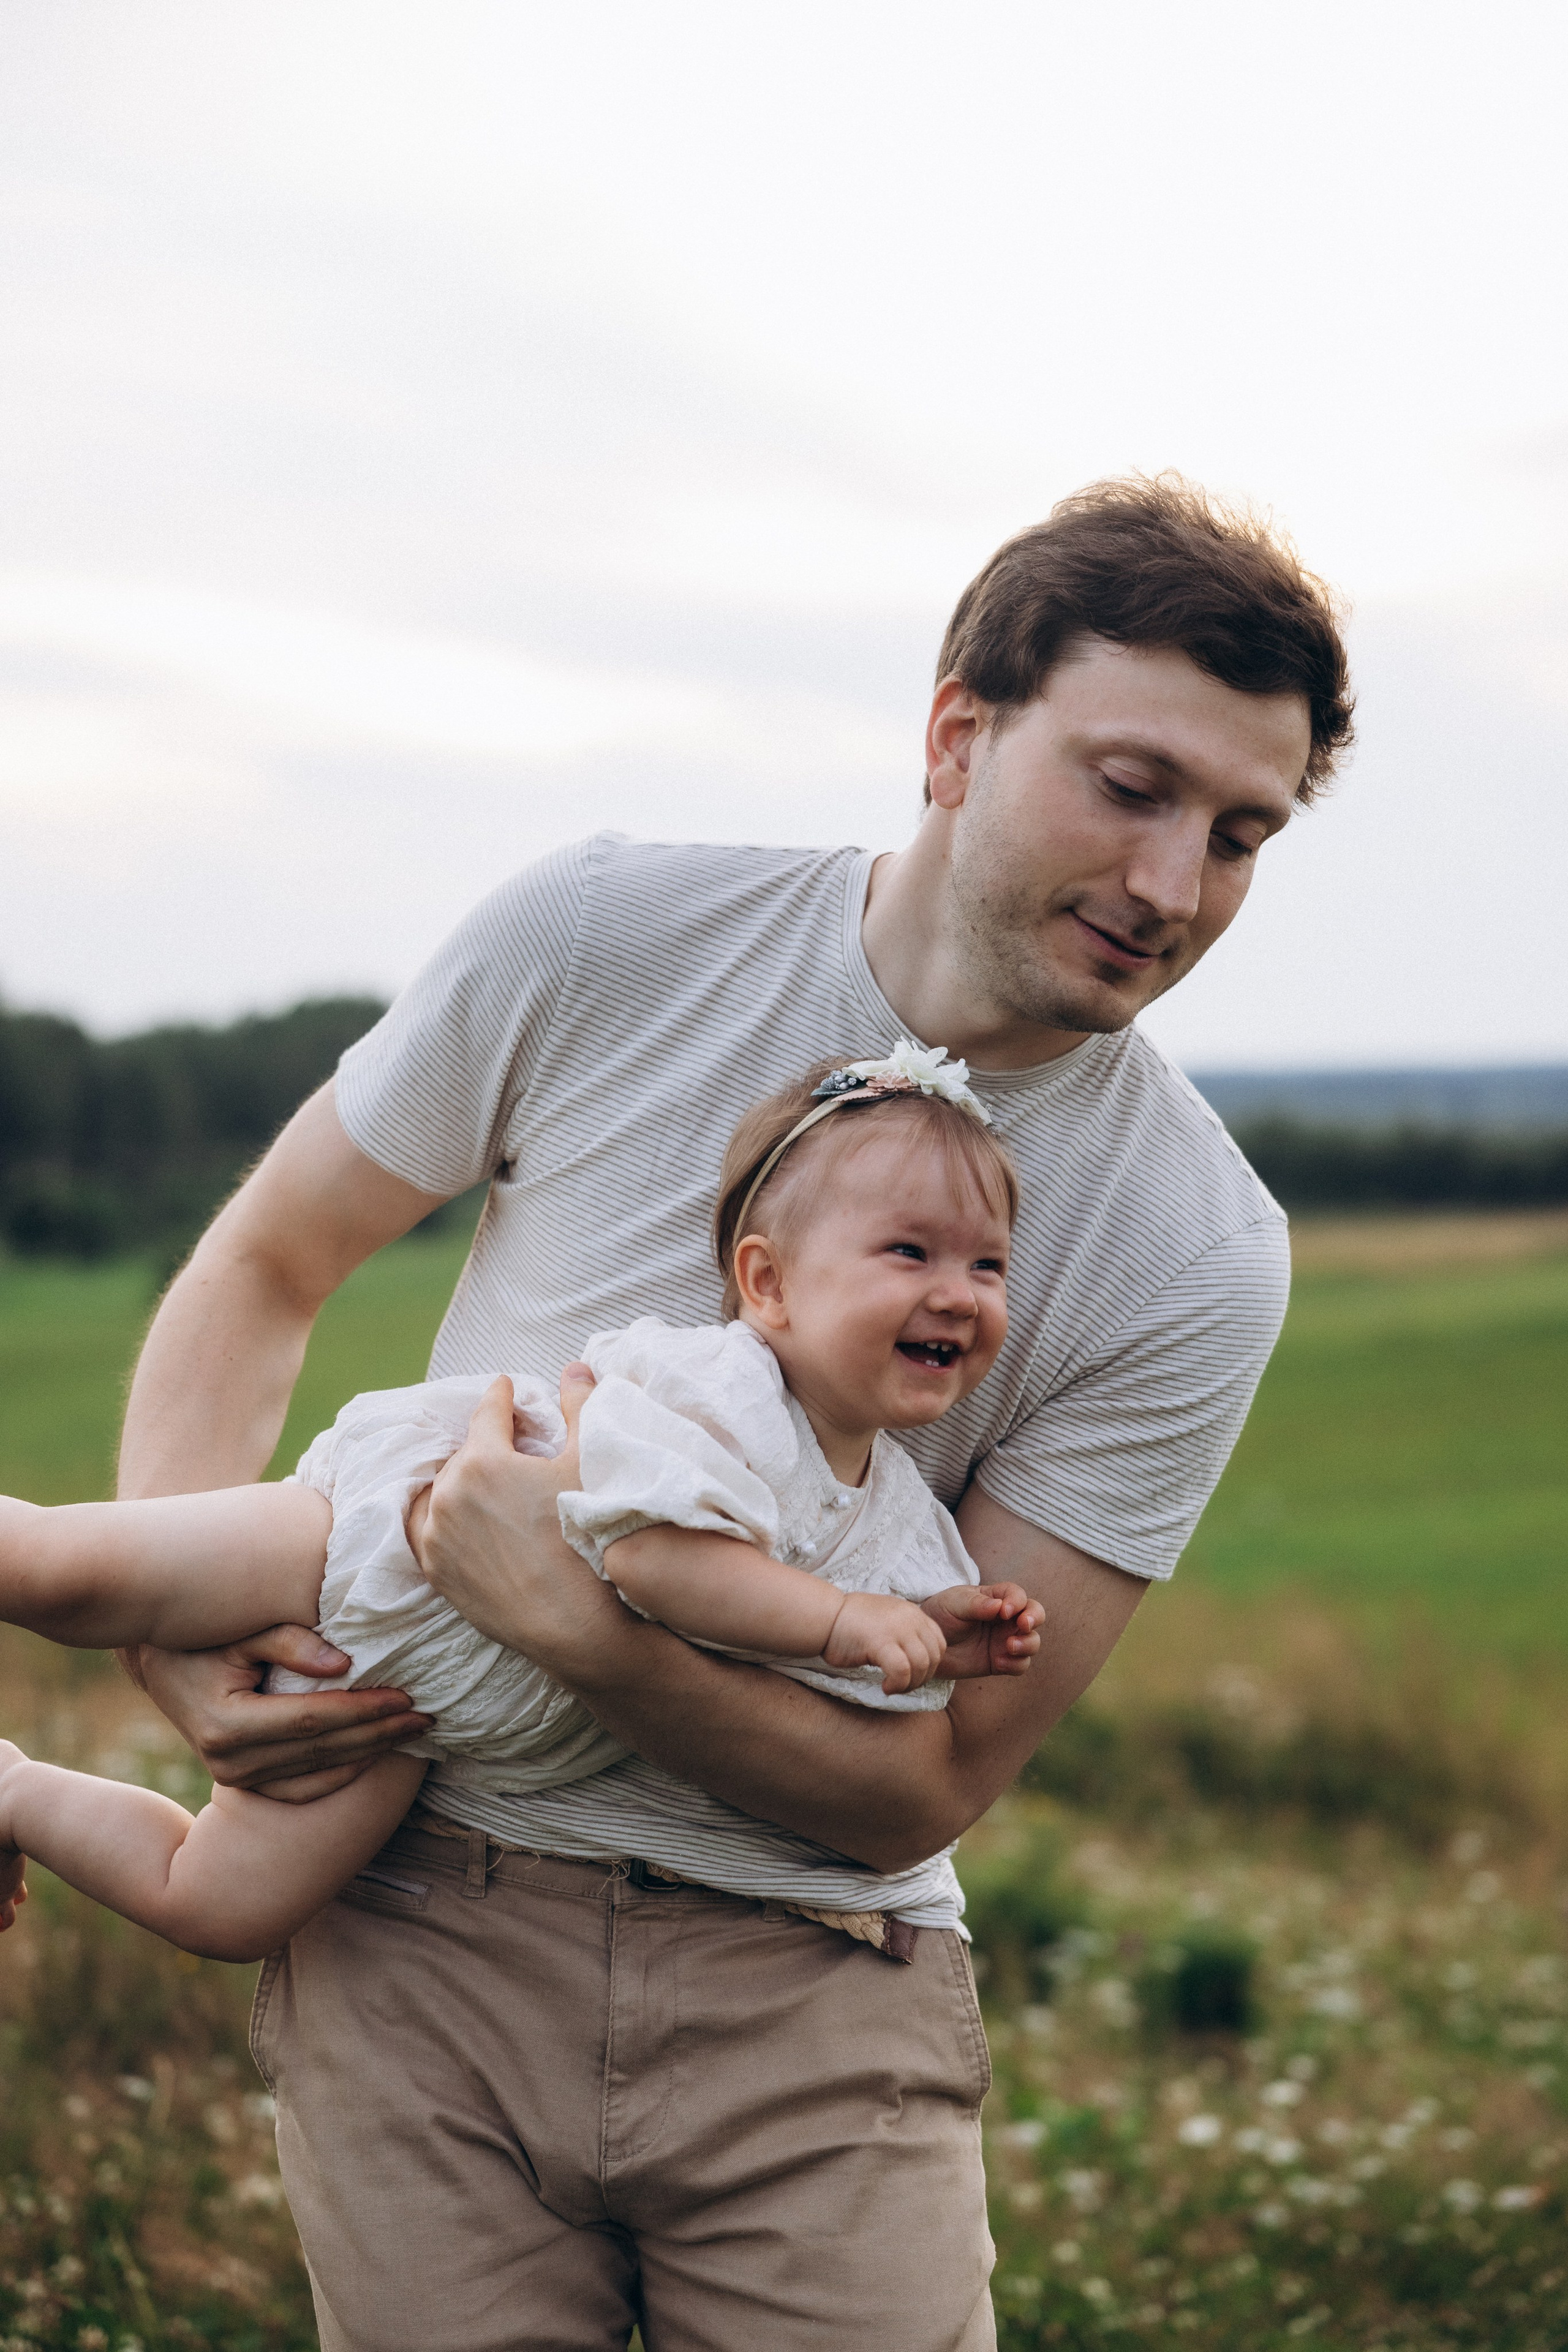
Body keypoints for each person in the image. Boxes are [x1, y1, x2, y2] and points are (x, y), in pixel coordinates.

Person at [114, 474, 1354, 2352]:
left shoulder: (1198, 1246)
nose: (1175, 888)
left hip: (819, 1998)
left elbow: (926, 1783)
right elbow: (271, 1265)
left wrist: (578, 1626)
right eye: (1132, 786)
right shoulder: (607, 930)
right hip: (415, 1923)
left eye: (1242, 832)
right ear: (958, 733)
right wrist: (178, 1640)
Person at [0, 1052, 1045, 1956]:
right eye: (910, 1252)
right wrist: (844, 1624)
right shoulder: (713, 1391)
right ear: (767, 1285)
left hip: (413, 1720)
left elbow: (869, 1664)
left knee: (219, 1907)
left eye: (987, 1264)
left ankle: (13, 1792)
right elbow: (651, 1562)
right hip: (373, 1540)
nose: (958, 1290)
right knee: (65, 1572)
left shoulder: (898, 1508)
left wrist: (938, 1639)